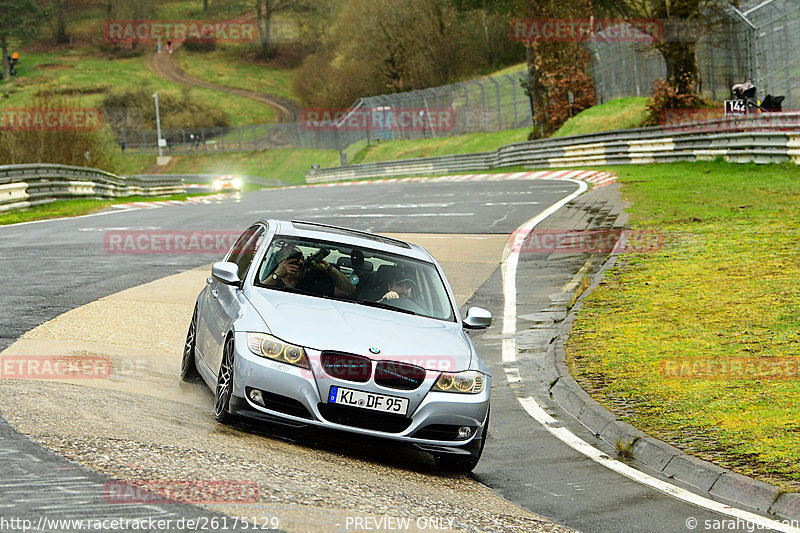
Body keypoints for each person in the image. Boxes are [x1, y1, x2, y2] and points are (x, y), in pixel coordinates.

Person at [263, 246, 355, 298]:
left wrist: (329, 269)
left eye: (302, 258)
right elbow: (257, 292)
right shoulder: (270, 278)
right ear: (282, 264)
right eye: (295, 260)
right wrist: (277, 275)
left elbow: (349, 290)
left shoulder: (314, 280)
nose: (301, 263)